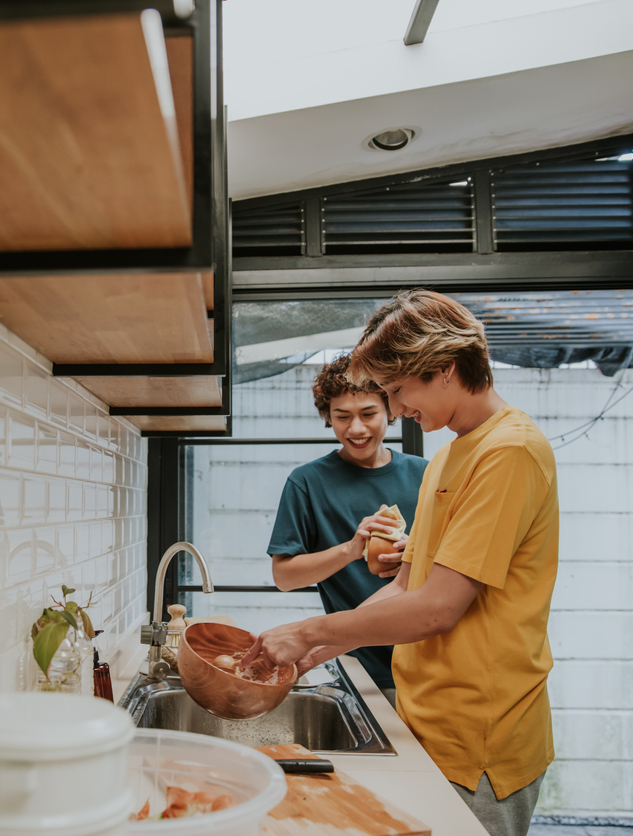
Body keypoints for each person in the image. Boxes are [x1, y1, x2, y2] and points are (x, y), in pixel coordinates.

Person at [242, 290, 559, 836]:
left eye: (395, 391)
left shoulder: (509, 451)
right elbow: (409, 585)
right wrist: (317, 651)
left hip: (478, 735)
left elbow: (437, 609)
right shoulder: (451, 454)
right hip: (425, 720)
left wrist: (307, 628)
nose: (395, 409)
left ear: (442, 369)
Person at [266, 353, 426, 706]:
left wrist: (414, 556)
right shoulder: (307, 482)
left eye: (368, 414)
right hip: (357, 670)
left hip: (427, 668)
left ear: (390, 409)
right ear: (328, 418)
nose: (356, 429)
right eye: (342, 416)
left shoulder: (427, 476)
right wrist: (352, 549)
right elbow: (284, 577)